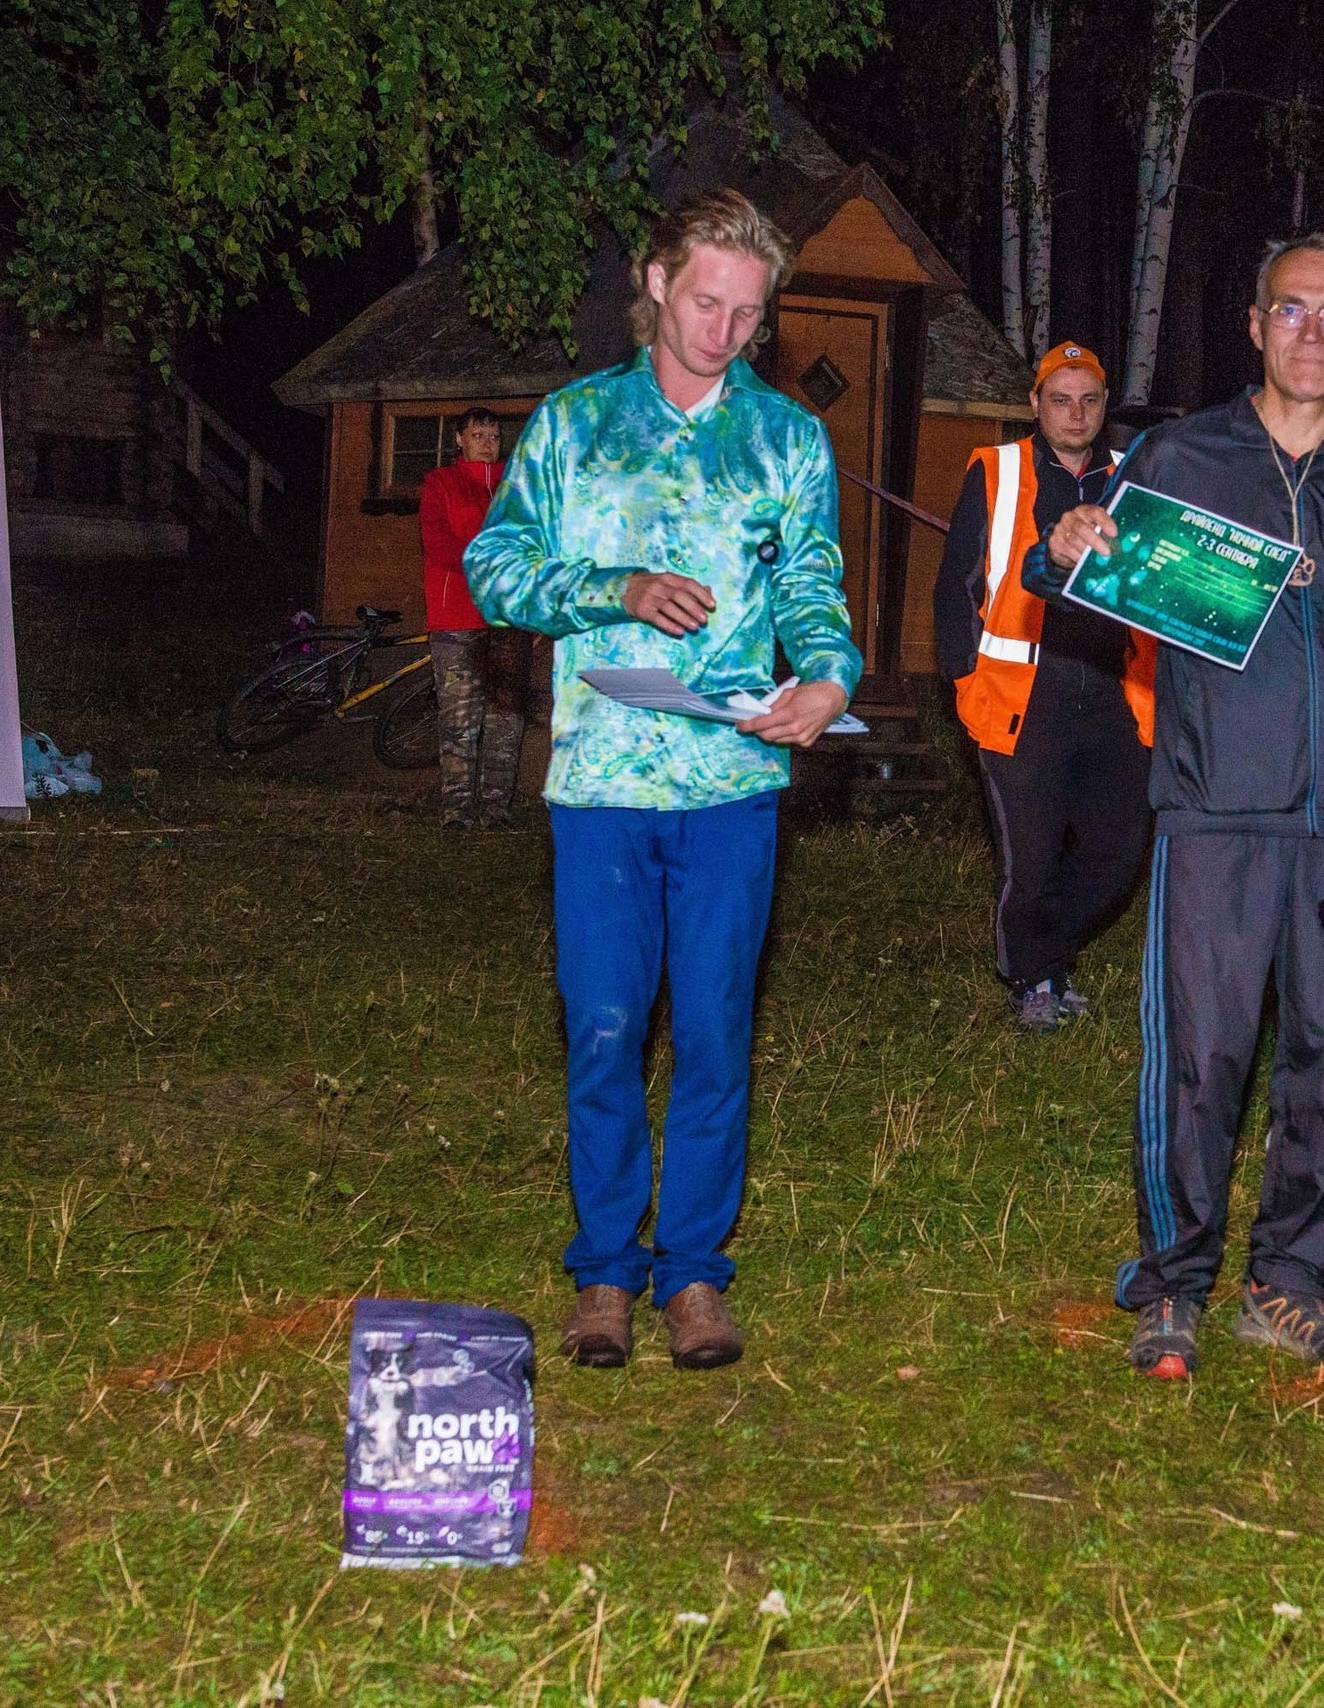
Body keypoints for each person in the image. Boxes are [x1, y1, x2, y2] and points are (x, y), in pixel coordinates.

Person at [1037, 232, 1324, 1377]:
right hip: (1215, 809)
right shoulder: (1181, 456)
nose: (1311, 331)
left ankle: (1290, 1280)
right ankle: (1171, 1284)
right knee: (1202, 1055)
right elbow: (1076, 566)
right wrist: (1064, 541)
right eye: (1291, 309)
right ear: (1253, 322)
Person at [463, 189, 859, 1372]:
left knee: (718, 1033)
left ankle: (692, 1272)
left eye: (747, 313)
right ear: (653, 281)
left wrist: (828, 682)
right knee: (603, 1027)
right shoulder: (575, 423)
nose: (722, 330)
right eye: (704, 301)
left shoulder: (788, 440)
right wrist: (614, 588)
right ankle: (602, 1271)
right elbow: (495, 567)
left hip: (733, 782)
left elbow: (814, 593)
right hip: (599, 781)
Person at [935, 342, 1156, 1034]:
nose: (1075, 412)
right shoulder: (995, 469)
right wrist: (962, 681)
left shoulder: (1135, 477)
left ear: (1104, 405)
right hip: (1020, 695)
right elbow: (956, 586)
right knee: (1028, 858)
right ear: (1035, 405)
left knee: (1117, 853)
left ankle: (1048, 951)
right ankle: (1031, 976)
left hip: (1115, 695)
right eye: (1060, 399)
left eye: (1089, 399)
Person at [420, 408, 529, 828]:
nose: (487, 441)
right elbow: (438, 542)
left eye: (494, 435)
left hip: (507, 620)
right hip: (456, 618)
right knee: (459, 719)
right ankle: (456, 811)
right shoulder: (440, 483)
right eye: (478, 433)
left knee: (505, 719)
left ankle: (496, 809)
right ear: (460, 441)